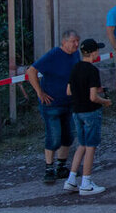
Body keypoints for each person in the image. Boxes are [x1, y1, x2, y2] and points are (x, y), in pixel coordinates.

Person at [26, 30, 81, 184]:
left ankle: (61, 166)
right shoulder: (53, 55)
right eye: (73, 41)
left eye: (77, 41)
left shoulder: (76, 55)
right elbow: (31, 71)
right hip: (52, 104)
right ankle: (49, 168)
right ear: (64, 42)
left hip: (69, 103)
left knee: (68, 136)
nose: (76, 44)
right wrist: (39, 92)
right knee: (54, 136)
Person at [62, 38, 113, 195]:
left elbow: (69, 91)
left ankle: (71, 180)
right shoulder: (92, 70)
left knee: (82, 144)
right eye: (97, 50)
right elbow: (93, 97)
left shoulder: (75, 67)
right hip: (91, 111)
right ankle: (86, 182)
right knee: (91, 146)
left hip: (77, 111)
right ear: (93, 53)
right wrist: (105, 101)